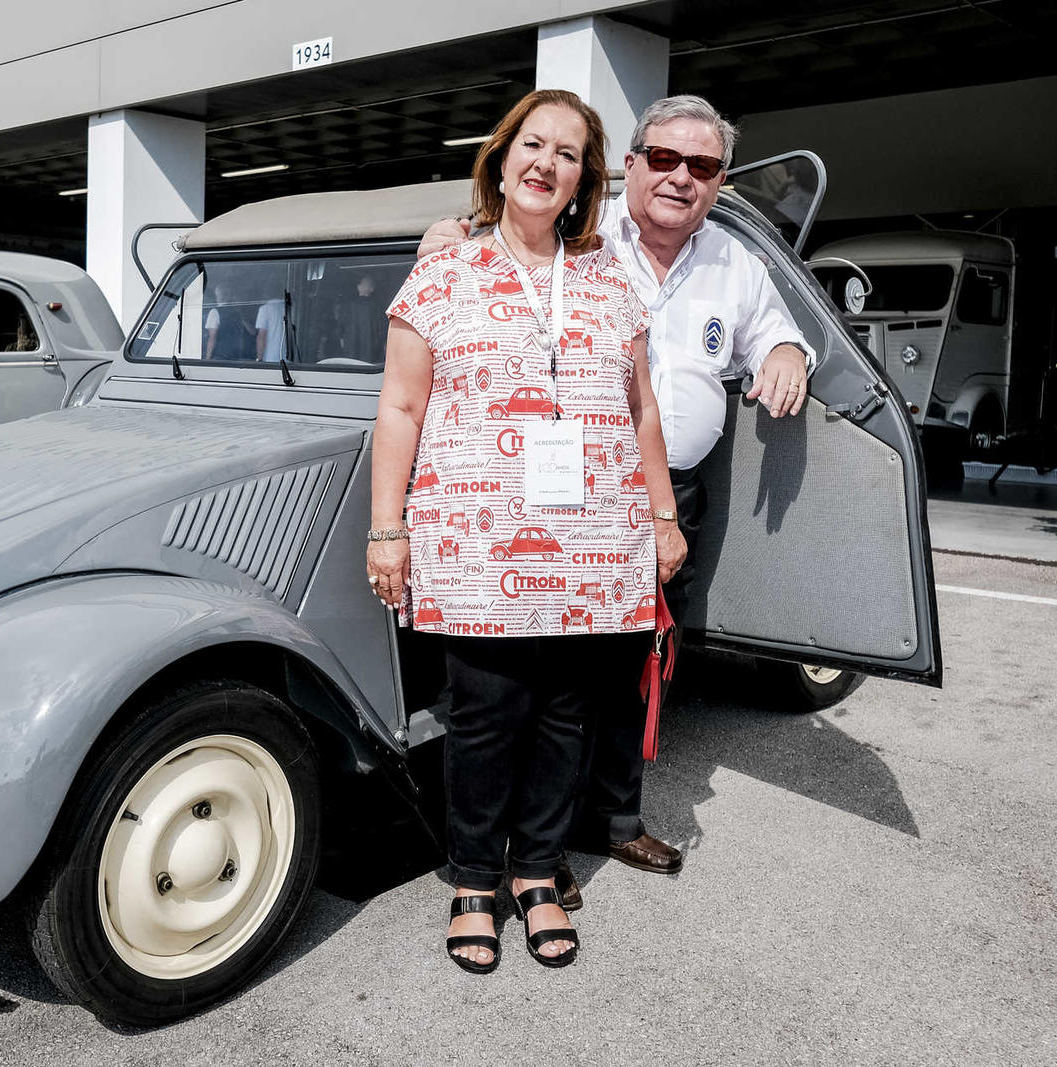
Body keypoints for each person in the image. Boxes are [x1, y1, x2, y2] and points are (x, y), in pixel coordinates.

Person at [419, 94, 814, 883]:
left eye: (701, 166)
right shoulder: (586, 233)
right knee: (549, 680)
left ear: (719, 180)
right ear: (629, 164)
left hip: (668, 494)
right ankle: (541, 847)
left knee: (638, 662)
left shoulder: (737, 262)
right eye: (663, 159)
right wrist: (449, 229)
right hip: (566, 495)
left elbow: (776, 325)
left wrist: (788, 351)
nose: (679, 178)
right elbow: (502, 240)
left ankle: (614, 819)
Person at [369, 88, 684, 974]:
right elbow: (399, 405)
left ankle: (537, 872)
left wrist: (662, 516)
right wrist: (384, 529)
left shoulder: (607, 281)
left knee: (566, 717)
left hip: (594, 542)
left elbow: (643, 410)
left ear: (586, 179)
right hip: (475, 542)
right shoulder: (443, 271)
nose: (548, 163)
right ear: (503, 159)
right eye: (533, 145)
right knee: (486, 716)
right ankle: (474, 879)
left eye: (570, 152)